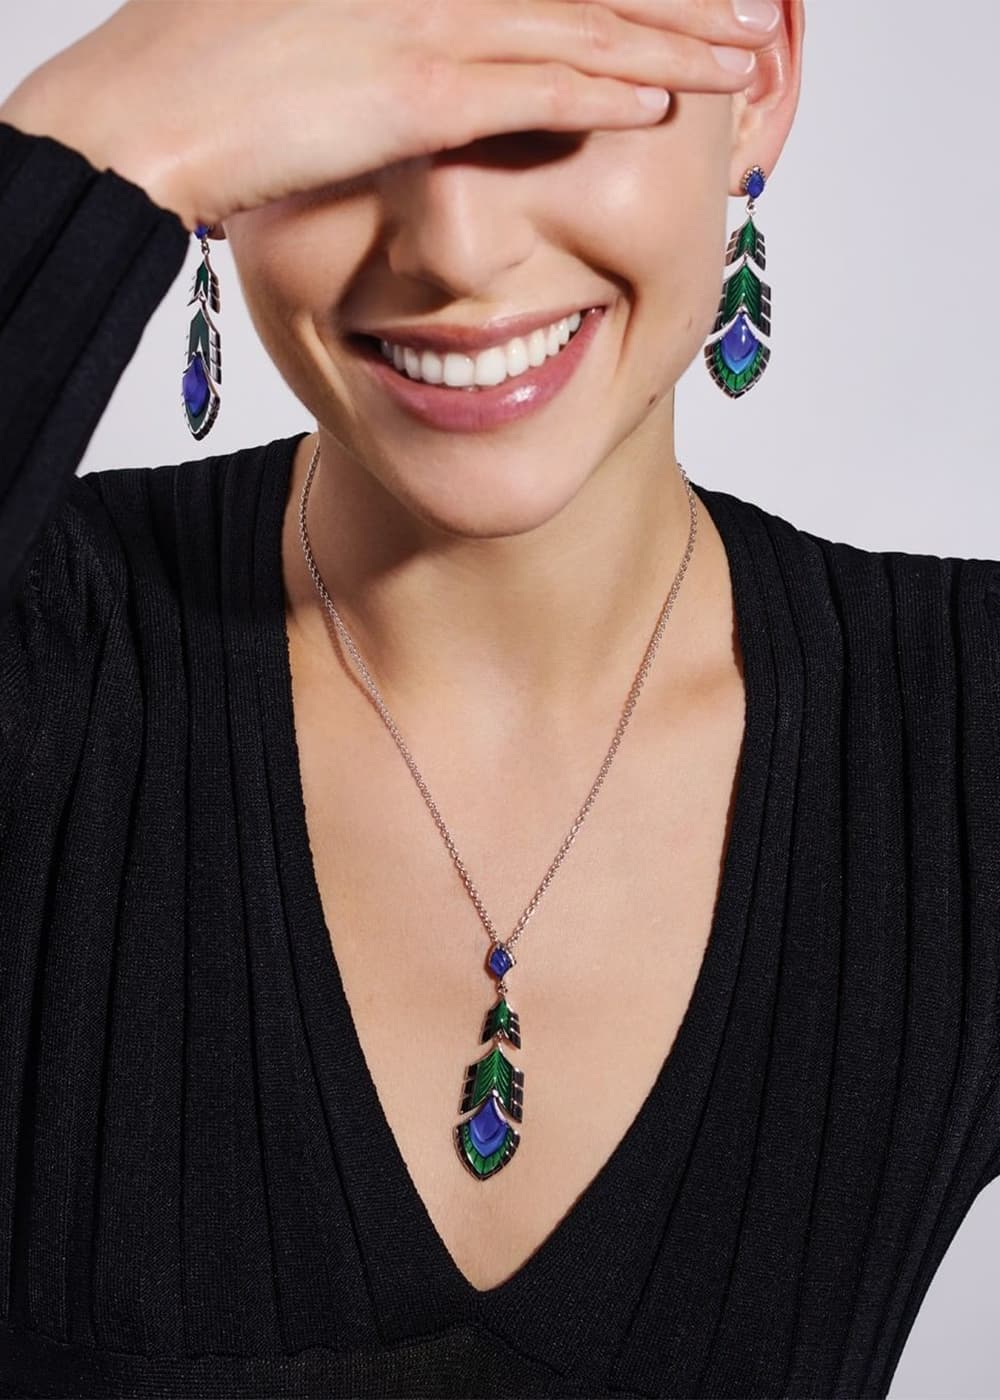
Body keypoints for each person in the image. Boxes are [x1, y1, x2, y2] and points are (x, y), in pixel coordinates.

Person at [0, 2, 997, 1396]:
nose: (456, 249)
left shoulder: (963, 738)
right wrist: (96, 129)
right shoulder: (45, 646)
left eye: (550, 90)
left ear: (758, 76)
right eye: (342, 101)